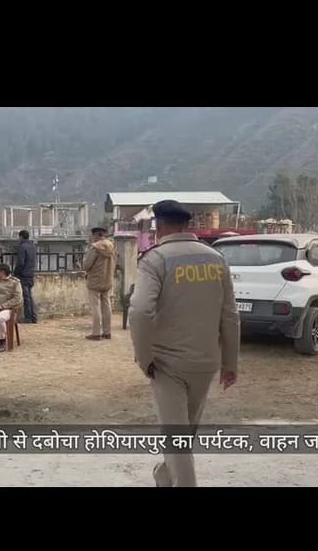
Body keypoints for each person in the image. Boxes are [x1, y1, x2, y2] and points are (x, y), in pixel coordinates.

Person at [129, 200, 239, 488]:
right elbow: (230, 315)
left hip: (168, 365)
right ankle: (163, 477)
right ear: (186, 224)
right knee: (183, 434)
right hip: (206, 362)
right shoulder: (216, 258)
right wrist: (230, 363)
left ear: (160, 225)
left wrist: (144, 357)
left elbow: (139, 311)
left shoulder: (156, 259)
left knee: (176, 438)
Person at [83, 227, 116, 340]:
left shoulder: (95, 248)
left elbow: (87, 265)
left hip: (95, 280)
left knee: (96, 307)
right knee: (106, 306)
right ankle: (107, 332)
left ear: (96, 235)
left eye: (93, 236)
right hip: (108, 279)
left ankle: (96, 332)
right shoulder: (112, 247)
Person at [13, 229, 37, 323]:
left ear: (21, 237)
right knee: (29, 297)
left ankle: (28, 318)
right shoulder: (32, 246)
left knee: (26, 297)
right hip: (31, 273)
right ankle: (33, 317)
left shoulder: (22, 247)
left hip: (24, 274)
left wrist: (16, 273)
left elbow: (21, 262)